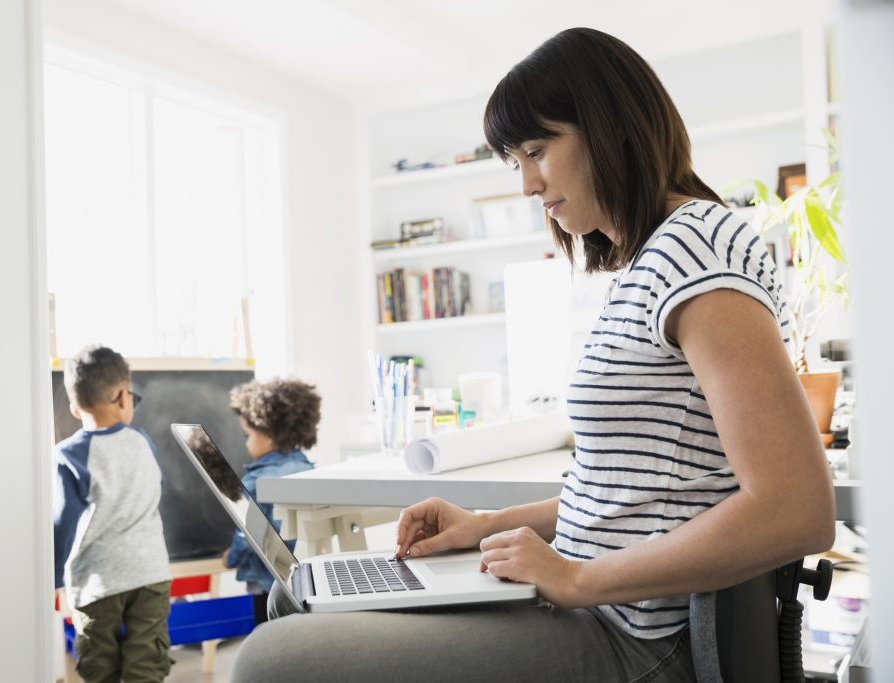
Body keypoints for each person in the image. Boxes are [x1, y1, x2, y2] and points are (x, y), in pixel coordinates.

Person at [231, 27, 835, 682]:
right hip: (590, 604)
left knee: (269, 659)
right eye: (514, 160)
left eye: (537, 150)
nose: (525, 184)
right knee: (299, 588)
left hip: (631, 636)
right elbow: (629, 496)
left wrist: (576, 577)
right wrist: (485, 524)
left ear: (610, 127)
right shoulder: (652, 259)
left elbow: (795, 507)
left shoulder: (697, 248)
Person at [53, 345, 172, 682]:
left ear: (75, 408)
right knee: (146, 667)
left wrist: (51, 578)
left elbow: (63, 522)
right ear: (123, 396)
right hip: (149, 573)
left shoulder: (68, 455)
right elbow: (157, 486)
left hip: (96, 583)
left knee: (99, 669)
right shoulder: (142, 441)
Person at [224, 377, 321, 623]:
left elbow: (247, 535)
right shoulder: (307, 469)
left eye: (248, 435)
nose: (246, 442)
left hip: (269, 584)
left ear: (267, 434)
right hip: (304, 580)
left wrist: (231, 558)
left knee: (266, 637)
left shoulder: (257, 481)